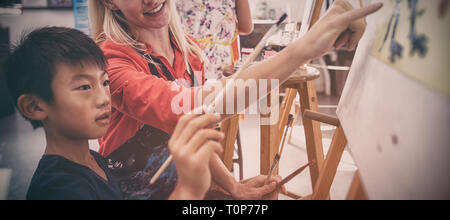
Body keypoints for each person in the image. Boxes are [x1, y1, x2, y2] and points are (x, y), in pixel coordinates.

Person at [88, 0, 382, 200]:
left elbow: (197, 131)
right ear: (109, 2)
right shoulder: (111, 60)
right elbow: (189, 108)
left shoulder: (189, 52)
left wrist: (234, 186)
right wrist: (301, 50)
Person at [3, 26, 229, 200]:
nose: (103, 99)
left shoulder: (96, 162)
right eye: (84, 87)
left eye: (105, 82)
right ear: (34, 106)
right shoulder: (58, 189)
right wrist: (188, 190)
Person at [176, 0, 253, 83]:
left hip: (189, 58)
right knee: (221, 93)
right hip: (221, 62)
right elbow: (246, 27)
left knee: (194, 93)